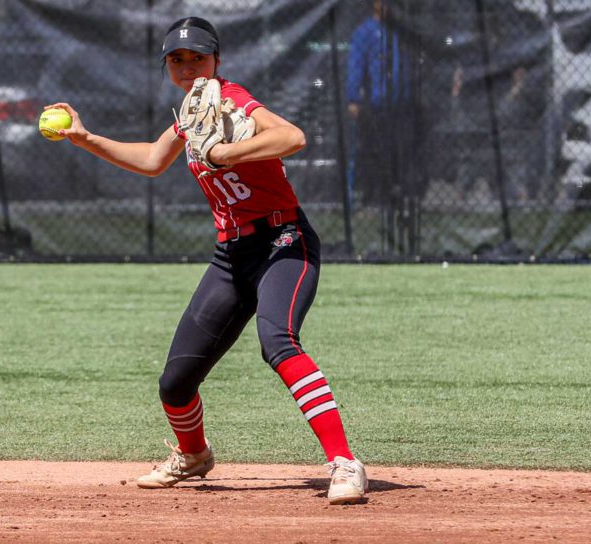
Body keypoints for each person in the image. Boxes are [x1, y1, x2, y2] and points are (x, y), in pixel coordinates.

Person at [44, 16, 367, 505]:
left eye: (198, 56)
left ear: (218, 60)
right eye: (178, 58)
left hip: (285, 240)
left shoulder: (233, 99)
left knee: (277, 340)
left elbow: (293, 138)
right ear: (167, 66)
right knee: (175, 383)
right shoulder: (191, 113)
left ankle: (344, 462)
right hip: (232, 254)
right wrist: (86, 139)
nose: (188, 66)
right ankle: (193, 455)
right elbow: (154, 160)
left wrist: (225, 153)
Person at [346, 0, 412, 251]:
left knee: (398, 152)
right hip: (375, 106)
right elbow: (356, 65)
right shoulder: (365, 32)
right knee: (372, 152)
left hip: (400, 105)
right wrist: (354, 98)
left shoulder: (400, 32)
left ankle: (395, 198)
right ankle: (370, 198)